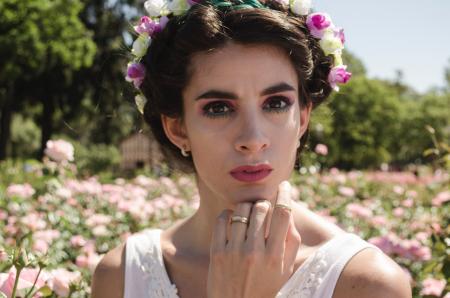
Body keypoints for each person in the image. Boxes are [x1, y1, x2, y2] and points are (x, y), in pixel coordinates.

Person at [91, 0, 412, 297]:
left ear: (302, 117)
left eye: (275, 103)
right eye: (218, 107)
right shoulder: (121, 277)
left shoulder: (368, 284)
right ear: (177, 127)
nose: (253, 138)